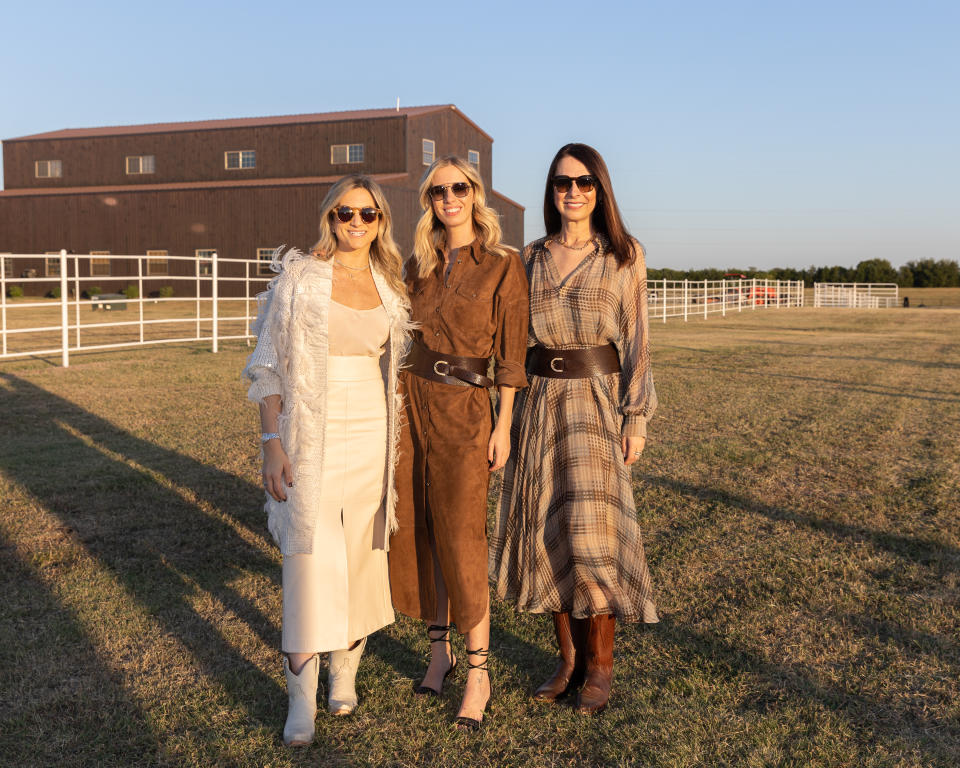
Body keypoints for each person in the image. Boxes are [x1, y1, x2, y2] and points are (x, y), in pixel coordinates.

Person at [489, 143, 659, 714]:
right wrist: (503, 419)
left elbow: (636, 341)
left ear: (601, 189)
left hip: (594, 404)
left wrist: (636, 417)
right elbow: (512, 342)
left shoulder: (623, 255)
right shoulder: (529, 257)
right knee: (548, 531)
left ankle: (601, 667)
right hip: (540, 404)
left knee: (592, 535)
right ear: (551, 191)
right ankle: (567, 660)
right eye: (563, 183)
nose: (574, 192)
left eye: (585, 182)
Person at [243, 174, 412, 746]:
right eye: (346, 214)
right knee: (309, 555)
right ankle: (301, 698)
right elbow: (266, 364)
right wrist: (272, 442)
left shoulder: (392, 285)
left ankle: (345, 670)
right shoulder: (300, 278)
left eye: (368, 215)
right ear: (330, 217)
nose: (356, 224)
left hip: (372, 430)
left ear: (382, 221)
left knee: (363, 552)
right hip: (310, 431)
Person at [388, 156, 529, 730]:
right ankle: (437, 653)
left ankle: (478, 672)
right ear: (428, 201)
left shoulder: (501, 265)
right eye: (438, 190)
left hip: (467, 410)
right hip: (409, 405)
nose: (449, 197)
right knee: (420, 526)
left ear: (475, 194)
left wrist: (503, 424)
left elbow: (513, 358)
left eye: (459, 187)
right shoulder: (415, 266)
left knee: (463, 531)